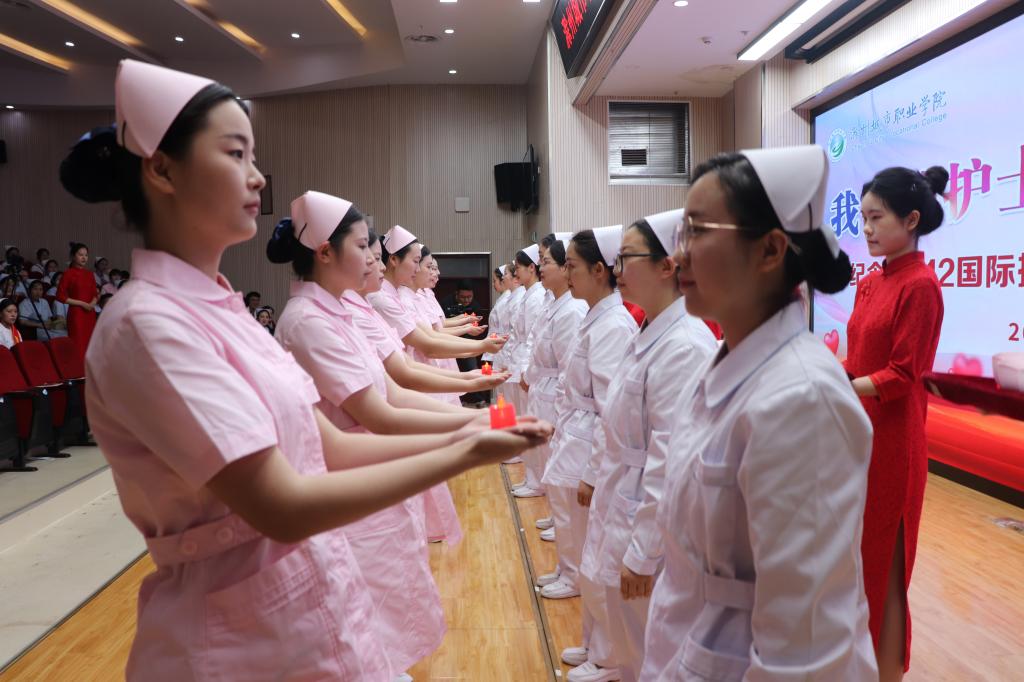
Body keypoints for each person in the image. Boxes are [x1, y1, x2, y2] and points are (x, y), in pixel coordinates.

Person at [58, 58, 551, 682]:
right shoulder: (147, 325)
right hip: (233, 635)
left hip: (303, 596)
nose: (257, 178)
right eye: (235, 154)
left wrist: (476, 429)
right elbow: (282, 505)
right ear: (161, 169)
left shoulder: (223, 308)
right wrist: (466, 449)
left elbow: (333, 448)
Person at [641, 145, 876, 681]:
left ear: (770, 249)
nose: (679, 256)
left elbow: (805, 651)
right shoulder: (725, 365)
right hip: (690, 640)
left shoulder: (802, 398)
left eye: (698, 232)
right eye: (682, 233)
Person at [271, 191, 496, 681]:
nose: (372, 257)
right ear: (325, 253)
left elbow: (391, 391)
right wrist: (474, 430)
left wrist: (474, 415)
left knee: (391, 611)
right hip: (353, 483)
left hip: (379, 471)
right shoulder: (308, 322)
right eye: (362, 247)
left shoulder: (340, 311)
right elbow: (380, 413)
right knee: (366, 621)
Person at [580, 210, 717, 682]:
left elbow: (671, 459)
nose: (616, 270)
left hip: (653, 513)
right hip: (626, 492)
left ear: (666, 266)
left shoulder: (685, 345)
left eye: (627, 259)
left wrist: (643, 550)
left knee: (651, 638)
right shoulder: (650, 332)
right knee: (628, 628)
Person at [845, 166, 948, 681]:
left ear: (911, 220)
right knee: (852, 559)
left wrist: (844, 385)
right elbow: (859, 359)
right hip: (856, 435)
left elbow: (904, 374)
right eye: (863, 218)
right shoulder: (870, 283)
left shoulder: (922, 286)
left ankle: (884, 670)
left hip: (892, 443)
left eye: (876, 218)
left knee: (884, 561)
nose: (866, 229)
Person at [546, 226, 636, 680]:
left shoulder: (614, 325)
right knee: (589, 554)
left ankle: (609, 656)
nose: (566, 275)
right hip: (580, 437)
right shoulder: (597, 316)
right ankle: (595, 645)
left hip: (594, 452)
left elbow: (610, 410)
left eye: (572, 266)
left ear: (599, 270)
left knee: (597, 562)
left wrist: (593, 473)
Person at [526, 237, 588, 597]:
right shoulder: (558, 306)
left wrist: (563, 412)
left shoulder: (571, 311)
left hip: (563, 404)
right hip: (551, 394)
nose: (542, 267)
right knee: (558, 491)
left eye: (547, 261)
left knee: (566, 502)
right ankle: (566, 568)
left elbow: (568, 370)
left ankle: (572, 573)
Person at [508, 244, 548, 498]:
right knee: (522, 417)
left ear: (530, 268)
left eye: (518, 268)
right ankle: (532, 477)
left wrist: (525, 369)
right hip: (522, 359)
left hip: (529, 363)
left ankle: (536, 480)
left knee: (528, 421)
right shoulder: (529, 294)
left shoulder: (536, 296)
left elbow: (533, 338)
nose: (515, 273)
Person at [56, 242, 98, 362]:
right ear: (73, 256)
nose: (84, 257)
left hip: (90, 313)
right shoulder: (68, 273)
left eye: (86, 255)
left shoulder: (90, 274)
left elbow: (95, 294)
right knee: (79, 344)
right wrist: (82, 304)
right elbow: (60, 296)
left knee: (91, 343)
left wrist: (92, 303)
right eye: (80, 255)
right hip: (77, 314)